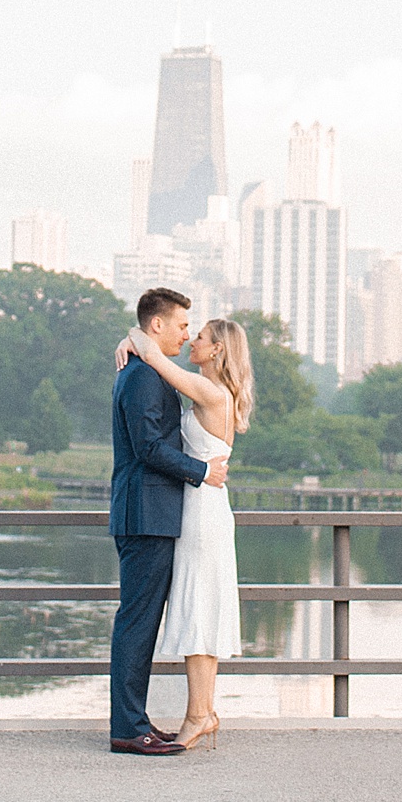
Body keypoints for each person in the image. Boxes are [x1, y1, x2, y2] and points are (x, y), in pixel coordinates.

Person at [117, 315, 254, 749]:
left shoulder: (211, 392)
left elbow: (156, 357)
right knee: (201, 607)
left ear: (216, 351)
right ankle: (203, 712)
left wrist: (133, 339)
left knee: (199, 608)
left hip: (201, 509)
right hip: (198, 504)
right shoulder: (212, 390)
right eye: (188, 331)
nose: (191, 340)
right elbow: (156, 355)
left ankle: (198, 715)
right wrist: (132, 339)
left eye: (199, 336)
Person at [107, 287, 226, 756]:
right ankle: (128, 728)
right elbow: (148, 448)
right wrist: (202, 471)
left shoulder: (148, 371)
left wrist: (133, 338)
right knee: (136, 623)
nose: (186, 333)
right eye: (180, 325)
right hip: (145, 514)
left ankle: (135, 721)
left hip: (152, 513)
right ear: (156, 326)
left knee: (140, 622)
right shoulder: (142, 378)